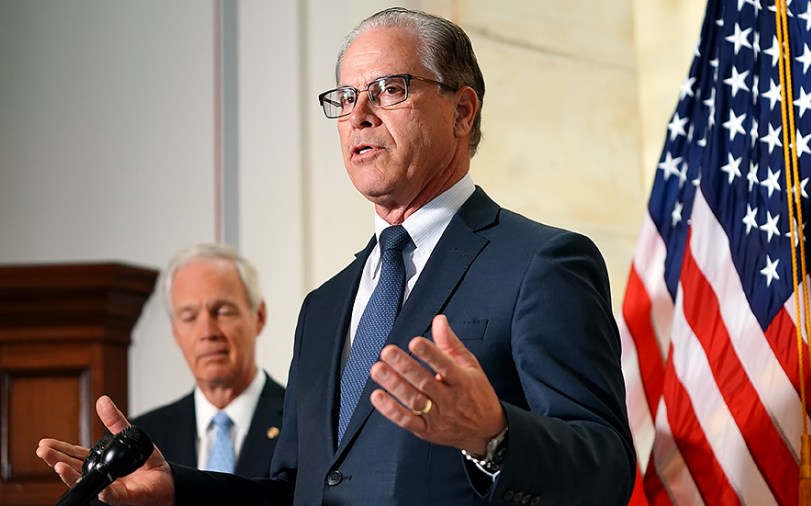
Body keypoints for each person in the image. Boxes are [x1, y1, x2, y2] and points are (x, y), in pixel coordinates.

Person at [37, 7, 635, 505]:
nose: (359, 115)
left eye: (389, 89)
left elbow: (605, 470)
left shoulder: (543, 263)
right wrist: (180, 493)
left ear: (463, 110)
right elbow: (299, 490)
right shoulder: (324, 306)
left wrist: (495, 436)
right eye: (346, 97)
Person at [133, 244, 284, 478]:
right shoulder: (144, 439)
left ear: (259, 316)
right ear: (175, 332)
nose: (207, 332)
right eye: (189, 316)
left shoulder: (303, 424)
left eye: (223, 311)